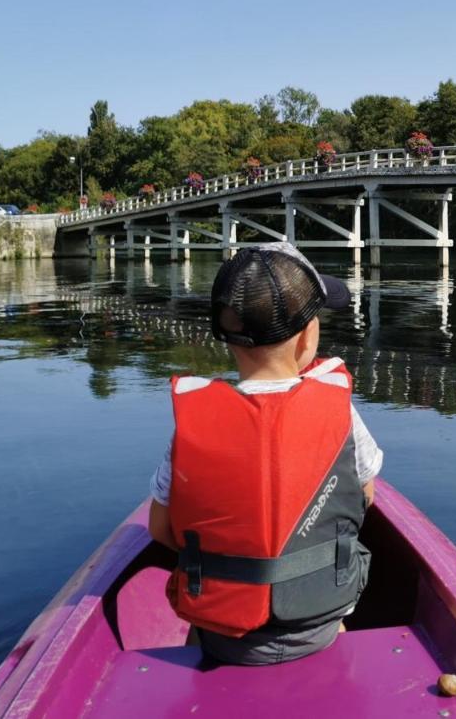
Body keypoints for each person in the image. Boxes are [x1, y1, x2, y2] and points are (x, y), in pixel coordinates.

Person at [147, 242, 383, 665]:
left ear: (224, 336)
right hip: (321, 628)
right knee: (339, 614)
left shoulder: (193, 423)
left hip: (222, 635)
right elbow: (364, 497)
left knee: (193, 636)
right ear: (309, 334)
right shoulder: (340, 411)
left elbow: (161, 529)